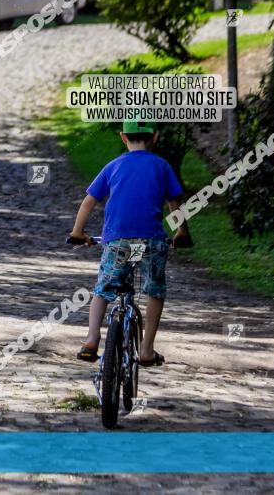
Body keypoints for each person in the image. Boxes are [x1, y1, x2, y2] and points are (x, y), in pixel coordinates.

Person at [68, 120, 192, 367]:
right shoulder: (162, 166)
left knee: (103, 288)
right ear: (154, 137)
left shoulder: (113, 166)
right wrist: (182, 232)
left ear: (123, 137)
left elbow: (88, 202)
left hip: (118, 241)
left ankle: (91, 340)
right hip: (151, 241)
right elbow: (174, 205)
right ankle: (146, 349)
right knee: (154, 290)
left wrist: (77, 232)